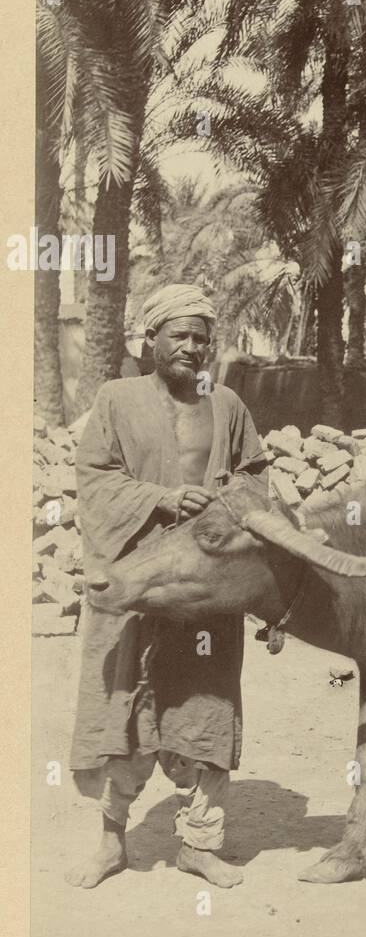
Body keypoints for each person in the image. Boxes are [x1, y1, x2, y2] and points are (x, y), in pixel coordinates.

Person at [67, 284, 266, 889]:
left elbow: (257, 482)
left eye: (202, 337)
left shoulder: (227, 404)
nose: (192, 346)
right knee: (125, 709)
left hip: (204, 591)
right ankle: (111, 842)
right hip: (134, 584)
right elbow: (94, 480)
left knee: (207, 709)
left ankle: (200, 845)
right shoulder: (117, 399)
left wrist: (228, 501)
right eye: (179, 334)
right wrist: (163, 498)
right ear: (149, 338)